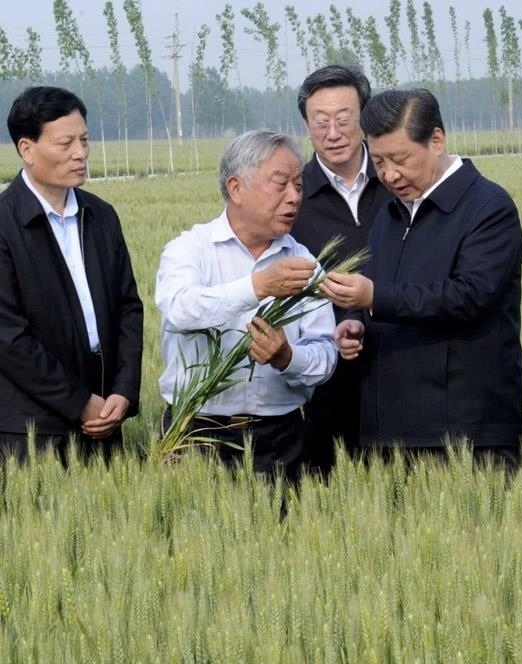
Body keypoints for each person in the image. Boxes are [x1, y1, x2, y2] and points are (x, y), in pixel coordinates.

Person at [321, 88, 522, 469]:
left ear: (436, 139)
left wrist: (374, 298)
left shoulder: (489, 207)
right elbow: (383, 288)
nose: (389, 174)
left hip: (467, 433)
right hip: (389, 430)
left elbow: (469, 296)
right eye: (379, 162)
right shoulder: (390, 215)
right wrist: (357, 321)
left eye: (400, 159)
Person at [155, 130, 337, 481]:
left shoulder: (304, 264)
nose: (293, 197)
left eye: (298, 185)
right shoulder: (190, 249)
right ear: (236, 188)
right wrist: (258, 286)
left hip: (280, 439)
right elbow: (179, 308)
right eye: (280, 184)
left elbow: (326, 355)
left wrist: (287, 357)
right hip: (194, 433)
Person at [0, 86, 144, 463]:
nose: (80, 153)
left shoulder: (101, 216)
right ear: (27, 149)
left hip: (105, 416)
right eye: (66, 143)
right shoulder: (4, 224)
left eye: (84, 140)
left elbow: (129, 308)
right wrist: (79, 401)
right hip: (31, 431)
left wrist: (123, 391)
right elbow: (8, 337)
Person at [292, 64, 391, 476]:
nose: (333, 133)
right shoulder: (292, 197)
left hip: (404, 376)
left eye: (344, 119)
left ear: (364, 118)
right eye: (321, 122)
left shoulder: (400, 182)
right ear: (307, 126)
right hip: (326, 391)